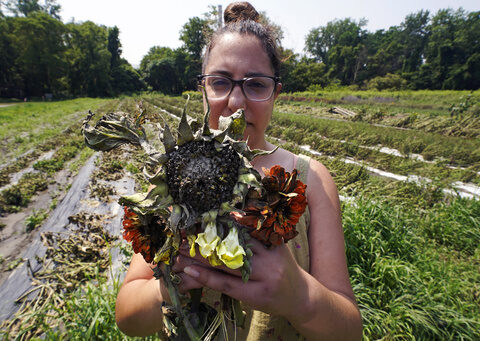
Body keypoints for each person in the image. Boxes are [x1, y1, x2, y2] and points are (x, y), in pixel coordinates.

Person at [115, 2, 362, 340]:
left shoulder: (310, 181)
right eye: (220, 82)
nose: (236, 102)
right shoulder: (176, 180)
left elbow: (348, 331)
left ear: (276, 91)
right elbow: (128, 319)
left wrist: (299, 297)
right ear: (202, 88)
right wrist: (168, 285)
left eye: (256, 84)